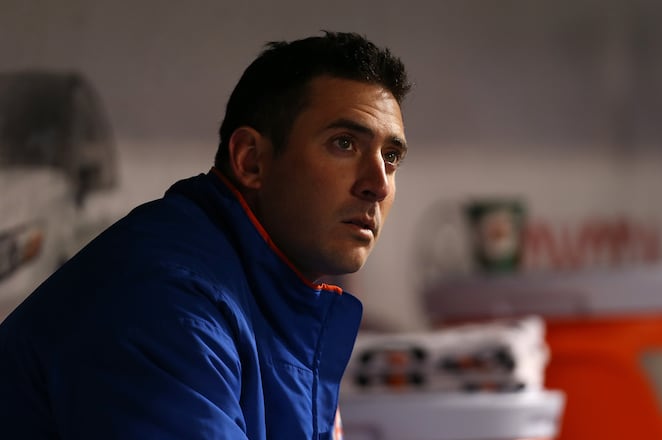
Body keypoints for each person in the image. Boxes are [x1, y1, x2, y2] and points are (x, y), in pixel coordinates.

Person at [0, 31, 411, 439]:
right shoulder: (167, 303)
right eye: (344, 143)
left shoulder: (264, 296)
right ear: (251, 161)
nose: (377, 184)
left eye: (390, 157)